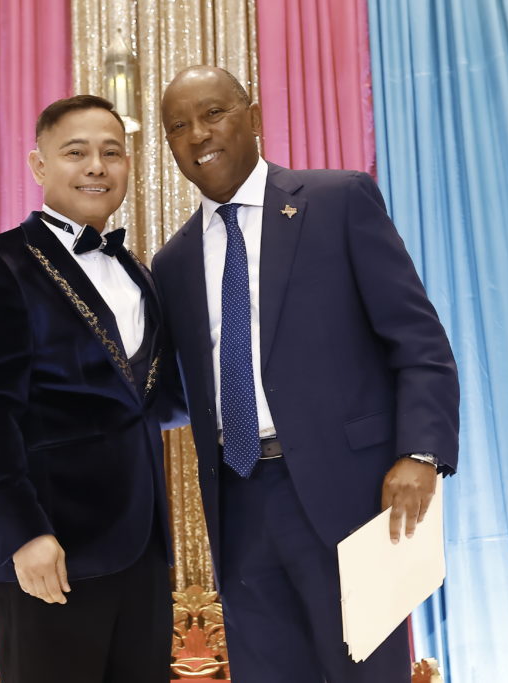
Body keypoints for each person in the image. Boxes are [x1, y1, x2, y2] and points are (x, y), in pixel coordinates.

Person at [152, 66, 460, 683]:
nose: (197, 134)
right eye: (178, 126)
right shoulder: (173, 261)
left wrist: (421, 454)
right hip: (238, 506)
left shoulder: (338, 199)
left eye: (213, 113)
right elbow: (178, 394)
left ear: (254, 115)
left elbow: (418, 339)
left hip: (349, 496)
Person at [0, 94, 176, 683]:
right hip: (52, 547)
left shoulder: (139, 275)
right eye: (76, 153)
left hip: (144, 550)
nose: (97, 167)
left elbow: (154, 399)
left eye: (112, 153)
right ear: (38, 165)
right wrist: (24, 531)